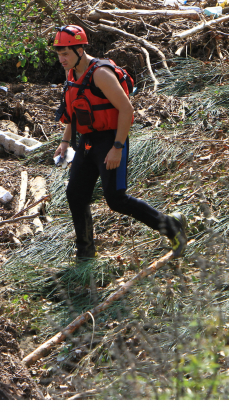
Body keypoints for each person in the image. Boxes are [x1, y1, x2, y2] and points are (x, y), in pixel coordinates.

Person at [52, 25, 188, 261]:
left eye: (65, 53)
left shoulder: (100, 74)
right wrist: (65, 140)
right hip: (87, 142)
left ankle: (171, 227)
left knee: (116, 199)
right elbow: (74, 110)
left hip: (111, 139)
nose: (61, 59)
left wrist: (117, 147)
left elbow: (126, 110)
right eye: (59, 54)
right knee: (75, 194)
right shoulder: (71, 71)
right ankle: (85, 252)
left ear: (80, 49)